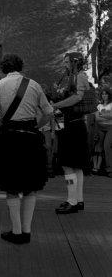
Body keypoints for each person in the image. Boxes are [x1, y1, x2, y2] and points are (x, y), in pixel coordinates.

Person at [0, 54, 53, 244]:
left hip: (10, 138)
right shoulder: (34, 84)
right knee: (30, 186)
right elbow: (49, 112)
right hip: (31, 137)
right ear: (20, 66)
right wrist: (37, 126)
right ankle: (27, 231)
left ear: (4, 68)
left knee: (11, 186)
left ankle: (16, 231)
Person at [52, 52, 90, 214]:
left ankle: (72, 201)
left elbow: (77, 97)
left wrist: (57, 105)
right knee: (77, 166)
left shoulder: (79, 77)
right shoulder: (75, 77)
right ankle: (78, 200)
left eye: (67, 62)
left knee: (68, 165)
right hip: (76, 125)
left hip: (73, 126)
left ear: (75, 62)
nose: (65, 64)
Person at [92, 87, 112, 176]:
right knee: (98, 148)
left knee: (107, 146)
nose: (104, 96)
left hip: (110, 128)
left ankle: (109, 169)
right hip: (99, 128)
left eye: (106, 94)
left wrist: (100, 115)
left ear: (109, 95)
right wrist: (106, 115)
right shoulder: (99, 106)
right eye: (102, 94)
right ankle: (99, 168)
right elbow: (96, 118)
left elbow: (111, 116)